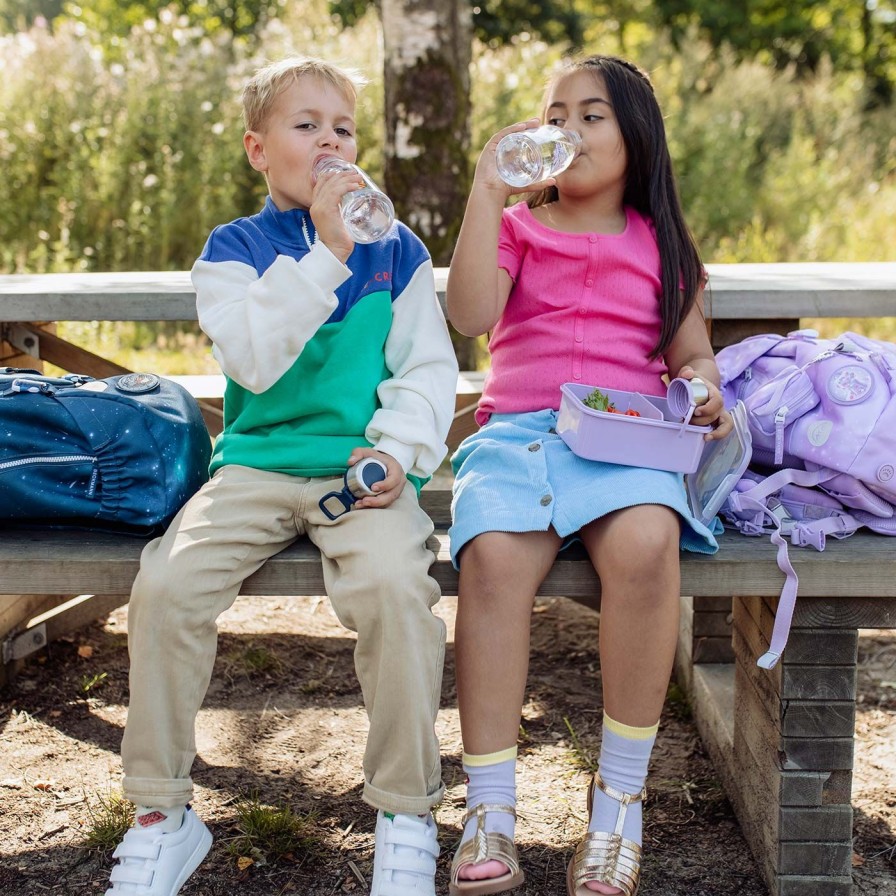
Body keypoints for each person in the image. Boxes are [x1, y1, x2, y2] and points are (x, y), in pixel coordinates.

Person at [104, 56, 458, 896]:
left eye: (343, 128)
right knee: (168, 584)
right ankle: (162, 814)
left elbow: (427, 370)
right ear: (259, 151)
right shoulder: (233, 251)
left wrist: (398, 453)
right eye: (307, 126)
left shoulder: (397, 248)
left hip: (361, 468)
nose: (330, 141)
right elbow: (256, 363)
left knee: (395, 590)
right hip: (256, 467)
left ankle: (406, 814)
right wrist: (329, 249)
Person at [444, 54, 733, 896]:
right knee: (493, 558)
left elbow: (693, 352)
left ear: (637, 138)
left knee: (647, 543)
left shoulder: (662, 244)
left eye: (591, 113)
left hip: (625, 440)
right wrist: (485, 192)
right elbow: (469, 315)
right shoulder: (517, 228)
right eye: (553, 113)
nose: (566, 127)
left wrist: (705, 389)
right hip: (519, 438)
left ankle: (617, 803)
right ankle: (491, 808)